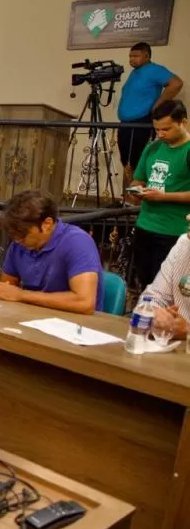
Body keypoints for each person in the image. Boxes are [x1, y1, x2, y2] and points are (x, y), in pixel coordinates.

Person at [0, 190, 103, 314]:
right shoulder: (19, 244)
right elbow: (7, 290)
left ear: (47, 224)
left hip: (75, 326)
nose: (16, 239)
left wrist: (22, 295)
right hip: (32, 318)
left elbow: (85, 302)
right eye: (14, 234)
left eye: (23, 233)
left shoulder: (78, 242)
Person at [129, 100, 190, 288]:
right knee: (143, 283)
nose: (161, 134)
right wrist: (137, 190)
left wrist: (163, 197)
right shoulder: (153, 148)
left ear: (183, 123)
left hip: (174, 231)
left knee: (165, 288)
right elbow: (138, 178)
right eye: (157, 130)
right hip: (145, 226)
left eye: (166, 129)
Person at [118, 42, 183, 179]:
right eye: (130, 56)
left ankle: (140, 199)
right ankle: (128, 199)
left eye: (136, 56)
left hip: (140, 122)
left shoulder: (154, 69)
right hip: (126, 123)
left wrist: (158, 104)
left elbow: (176, 83)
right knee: (127, 164)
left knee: (139, 163)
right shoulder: (135, 73)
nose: (131, 59)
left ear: (146, 56)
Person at [144, 213, 190, 340]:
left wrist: (187, 330)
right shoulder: (184, 244)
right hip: (173, 352)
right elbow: (153, 296)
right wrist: (157, 314)